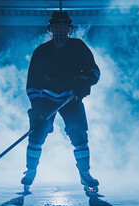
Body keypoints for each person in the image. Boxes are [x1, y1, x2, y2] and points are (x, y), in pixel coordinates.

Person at [21, 11, 101, 193]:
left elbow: (94, 71)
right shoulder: (41, 52)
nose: (60, 31)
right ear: (50, 29)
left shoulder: (78, 47)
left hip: (71, 98)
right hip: (45, 100)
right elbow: (32, 85)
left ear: (69, 29)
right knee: (36, 134)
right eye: (56, 27)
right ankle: (30, 170)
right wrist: (37, 108)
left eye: (63, 27)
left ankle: (85, 173)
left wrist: (85, 82)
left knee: (79, 135)